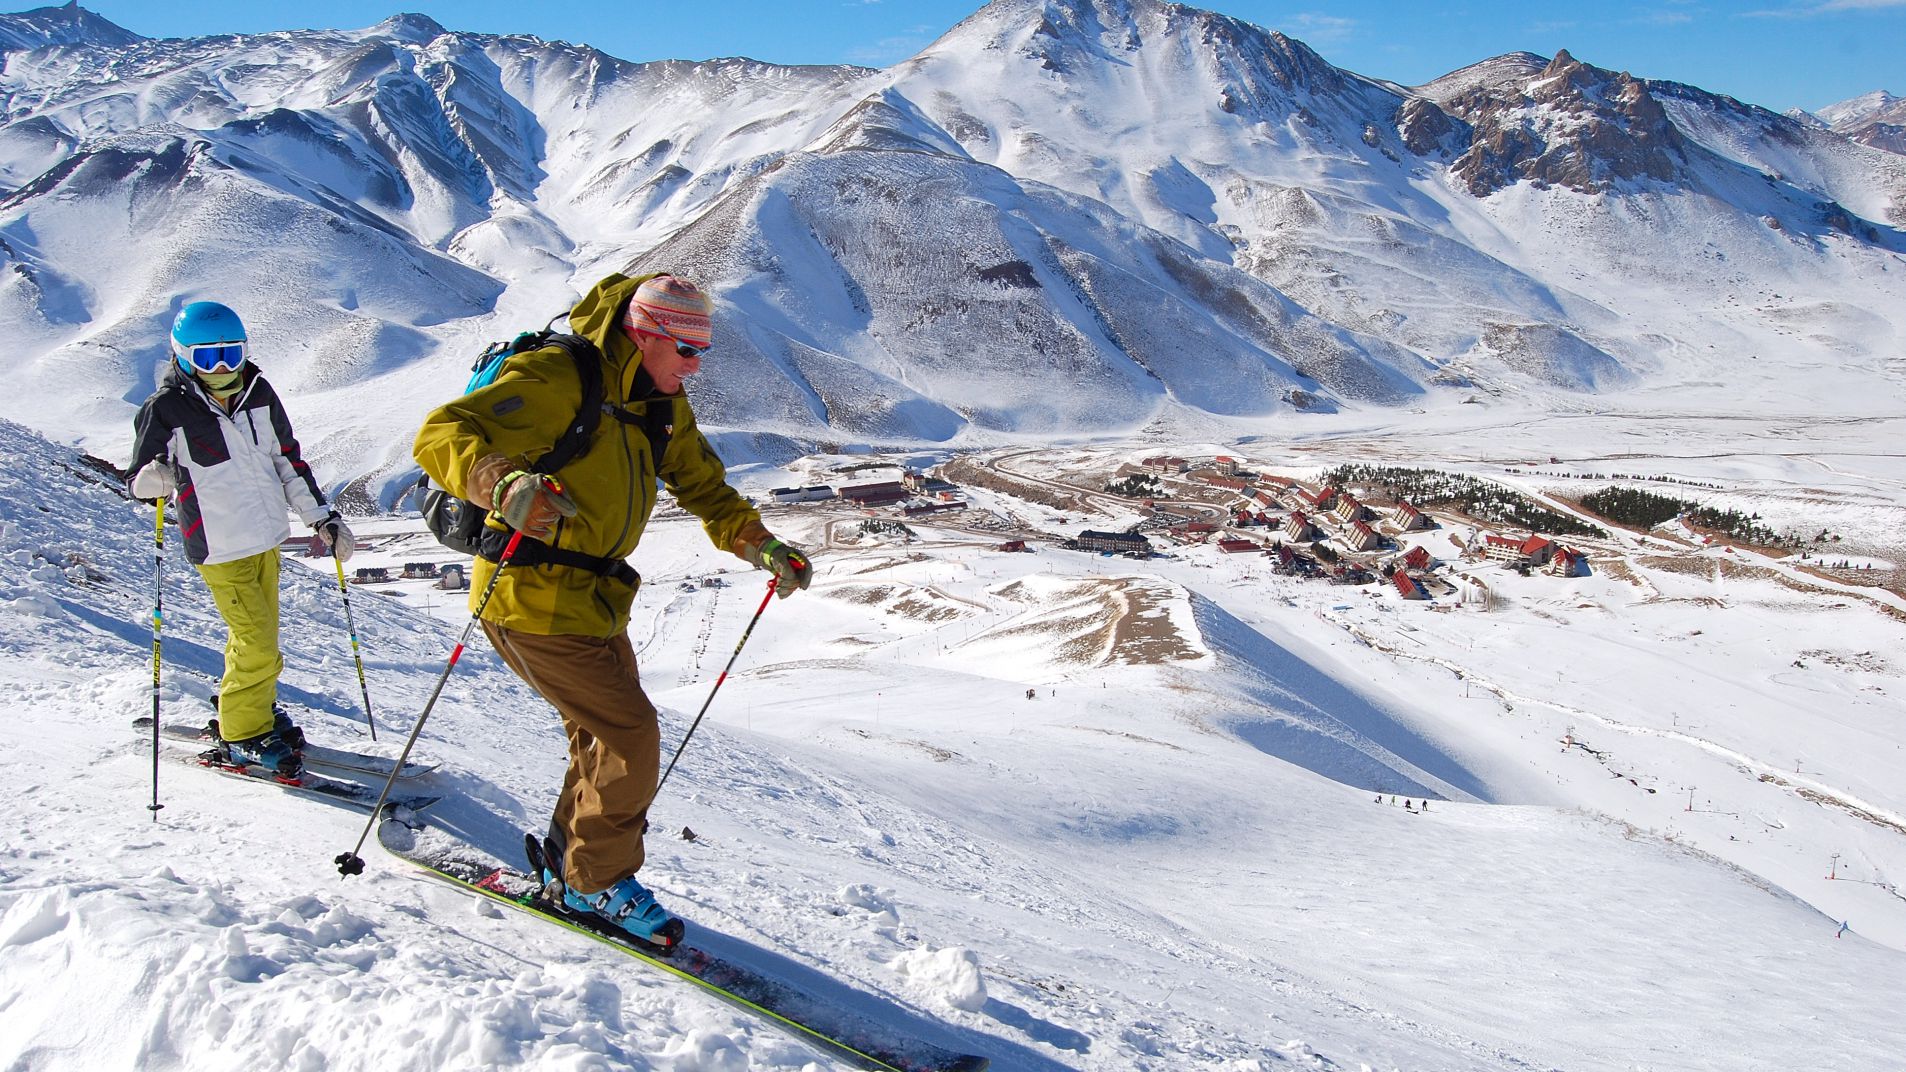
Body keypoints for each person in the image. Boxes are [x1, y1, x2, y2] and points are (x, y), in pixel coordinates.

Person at [412, 272, 813, 947]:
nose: (694, 366)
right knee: (631, 736)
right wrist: (502, 482)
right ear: (645, 334)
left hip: (597, 603)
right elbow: (441, 432)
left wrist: (760, 543)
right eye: (686, 351)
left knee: (601, 740)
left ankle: (576, 867)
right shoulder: (561, 378)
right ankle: (598, 881)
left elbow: (704, 485)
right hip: (528, 598)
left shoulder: (660, 404)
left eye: (701, 352)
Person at [128, 301, 355, 777]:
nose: (223, 367)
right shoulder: (166, 409)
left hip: (267, 537)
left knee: (258, 639)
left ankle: (254, 711)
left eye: (232, 354)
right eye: (208, 359)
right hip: (218, 545)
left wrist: (322, 519)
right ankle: (242, 733)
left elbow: (287, 461)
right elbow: (140, 478)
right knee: (257, 643)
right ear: (183, 356)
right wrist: (150, 482)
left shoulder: (259, 392)